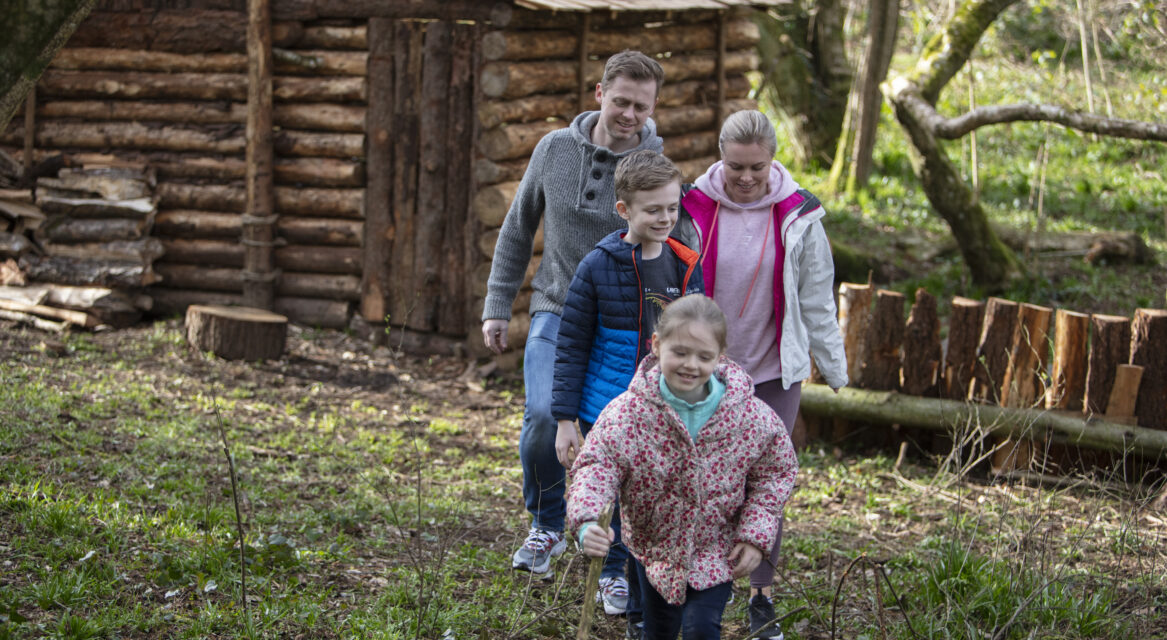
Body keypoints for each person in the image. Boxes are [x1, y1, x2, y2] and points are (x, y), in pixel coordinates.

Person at [479, 51, 665, 582]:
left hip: (620, 323)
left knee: (614, 434)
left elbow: (672, 243)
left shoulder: (653, 167)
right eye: (622, 100)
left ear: (653, 109)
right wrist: (497, 305)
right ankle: (546, 523)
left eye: (642, 106)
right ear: (600, 93)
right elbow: (517, 229)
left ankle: (615, 553)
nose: (630, 114)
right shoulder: (554, 149)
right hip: (556, 309)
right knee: (543, 416)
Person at [682, 109, 848, 639]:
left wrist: (835, 367)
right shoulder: (691, 206)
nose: (747, 178)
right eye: (736, 167)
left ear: (773, 160)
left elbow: (817, 298)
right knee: (700, 476)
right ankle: (691, 582)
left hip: (774, 371)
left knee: (765, 483)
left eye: (757, 167)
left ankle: (761, 595)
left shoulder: (799, 214)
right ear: (721, 158)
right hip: (702, 370)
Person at [567, 294, 798, 640]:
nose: (691, 364)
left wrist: (754, 536)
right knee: (659, 631)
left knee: (702, 629)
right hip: (654, 549)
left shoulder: (747, 415)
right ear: (657, 345)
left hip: (715, 550)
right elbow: (597, 466)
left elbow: (775, 472)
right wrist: (586, 521)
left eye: (704, 357)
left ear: (720, 358)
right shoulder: (630, 413)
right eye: (680, 352)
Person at [551, 150, 704, 625]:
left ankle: (646, 580)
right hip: (607, 403)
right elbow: (572, 344)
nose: (664, 218)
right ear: (624, 211)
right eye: (652, 209)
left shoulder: (684, 264)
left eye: (672, 209)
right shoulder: (598, 265)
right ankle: (610, 571)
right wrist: (564, 419)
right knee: (608, 490)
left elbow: (699, 338)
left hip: (666, 407)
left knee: (650, 497)